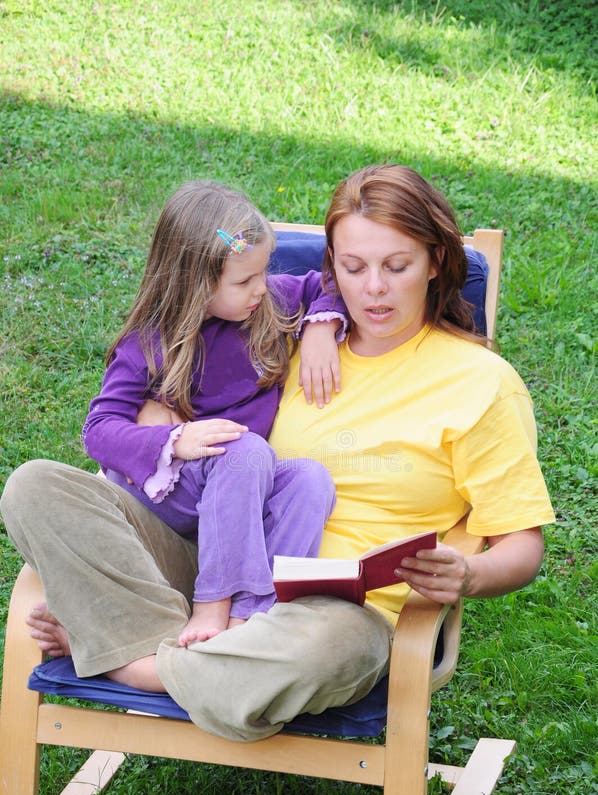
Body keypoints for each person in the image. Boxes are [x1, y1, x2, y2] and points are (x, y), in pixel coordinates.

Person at [1, 164, 554, 741]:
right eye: (353, 267)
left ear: (436, 261)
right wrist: (157, 421)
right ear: (331, 268)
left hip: (334, 613)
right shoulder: (273, 330)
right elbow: (178, 387)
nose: (375, 289)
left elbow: (521, 544)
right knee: (35, 485)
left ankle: (123, 653)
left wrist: (470, 573)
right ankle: (202, 660)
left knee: (327, 651)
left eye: (397, 266)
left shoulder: (481, 383)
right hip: (209, 562)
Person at [81, 179, 346, 645]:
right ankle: (213, 602)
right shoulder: (148, 344)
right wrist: (173, 441)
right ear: (195, 282)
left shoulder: (268, 306)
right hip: (175, 492)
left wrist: (321, 326)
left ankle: (257, 615)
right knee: (246, 449)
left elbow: (325, 282)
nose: (261, 289)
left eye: (263, 273)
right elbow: (99, 431)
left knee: (310, 479)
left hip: (241, 485)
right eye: (244, 281)